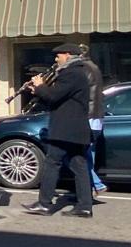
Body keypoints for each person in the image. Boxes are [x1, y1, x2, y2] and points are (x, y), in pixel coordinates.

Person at [22, 43, 95, 218]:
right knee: (79, 166)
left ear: (68, 55)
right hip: (75, 129)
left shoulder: (71, 73)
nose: (56, 59)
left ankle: (44, 204)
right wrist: (37, 91)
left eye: (58, 56)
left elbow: (54, 96)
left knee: (51, 164)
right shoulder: (79, 73)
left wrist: (40, 86)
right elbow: (57, 99)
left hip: (65, 129)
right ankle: (85, 206)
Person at [78, 51, 108, 198]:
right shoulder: (95, 68)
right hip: (98, 116)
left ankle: (96, 184)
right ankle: (89, 189)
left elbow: (81, 93)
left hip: (88, 116)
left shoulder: (84, 69)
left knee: (79, 155)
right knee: (90, 154)